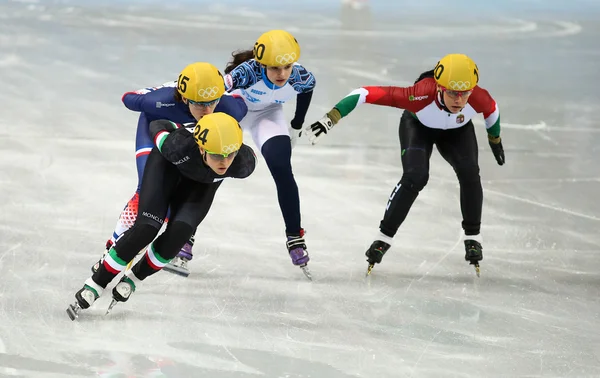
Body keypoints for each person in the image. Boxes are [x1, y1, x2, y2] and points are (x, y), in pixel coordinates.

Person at [305, 53, 505, 276]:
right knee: (415, 177)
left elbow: (492, 110)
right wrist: (332, 117)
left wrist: (494, 139)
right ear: (439, 87)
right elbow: (364, 94)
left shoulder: (478, 96)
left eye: (464, 93)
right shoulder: (418, 95)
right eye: (452, 93)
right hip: (418, 128)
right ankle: (383, 237)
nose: (459, 100)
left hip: (457, 132)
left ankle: (473, 237)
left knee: (470, 172)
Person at [67, 112, 257, 320]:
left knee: (180, 233)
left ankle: (134, 279)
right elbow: (159, 124)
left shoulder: (243, 163)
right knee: (146, 228)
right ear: (202, 148)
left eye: (229, 155)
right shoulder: (178, 146)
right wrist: (183, 126)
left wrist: (135, 278)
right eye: (217, 156)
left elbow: (234, 156)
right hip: (167, 168)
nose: (224, 162)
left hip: (200, 187)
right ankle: (96, 282)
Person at [95, 62, 247, 277]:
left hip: (189, 142)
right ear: (184, 98)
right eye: (199, 103)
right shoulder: (160, 102)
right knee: (145, 192)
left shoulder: (229, 108)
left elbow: (241, 102)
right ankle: (113, 245)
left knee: (176, 199)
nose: (207, 110)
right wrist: (154, 90)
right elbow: (128, 98)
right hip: (156, 131)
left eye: (212, 102)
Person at [223, 29, 316, 278]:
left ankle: (295, 236)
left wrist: (296, 124)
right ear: (262, 64)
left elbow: (307, 90)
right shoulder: (245, 73)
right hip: (236, 109)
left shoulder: (301, 76)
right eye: (275, 68)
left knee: (282, 168)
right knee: (215, 169)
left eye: (286, 67)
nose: (282, 74)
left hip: (268, 114)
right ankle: (186, 234)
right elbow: (217, 95)